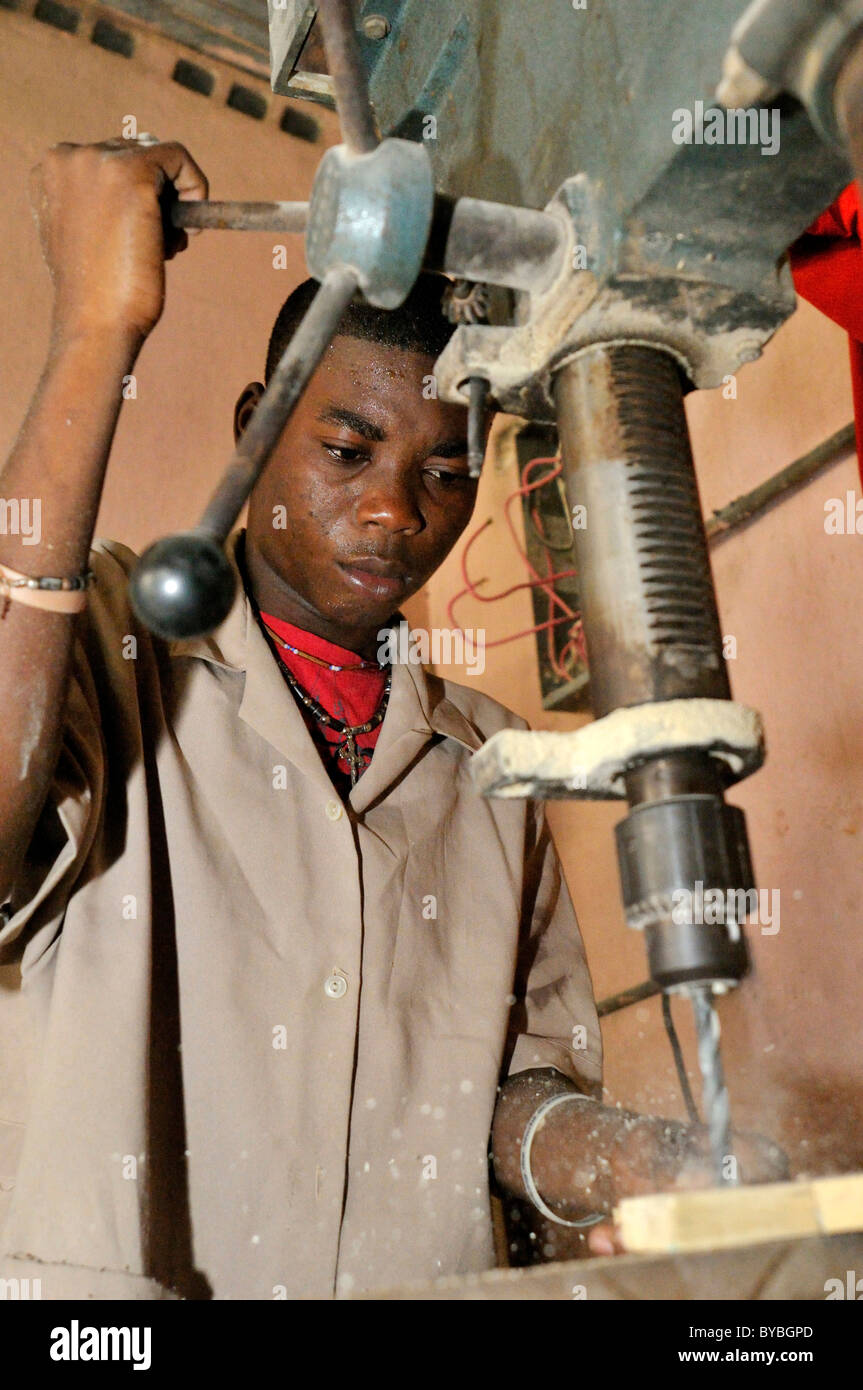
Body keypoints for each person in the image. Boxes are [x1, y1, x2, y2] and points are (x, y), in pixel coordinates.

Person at [0, 138, 778, 1301]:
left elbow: (504, 1091)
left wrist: (622, 1158)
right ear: (255, 425)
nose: (391, 510)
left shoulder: (488, 762)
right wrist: (93, 332)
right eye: (347, 449)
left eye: (447, 470)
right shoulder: (106, 648)